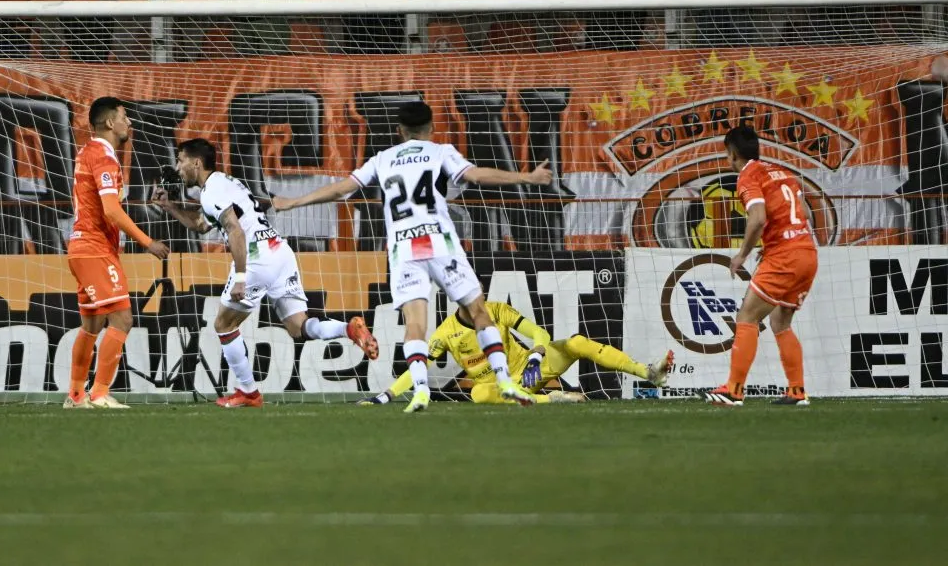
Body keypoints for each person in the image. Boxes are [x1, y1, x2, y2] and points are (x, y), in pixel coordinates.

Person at [273, 101, 552, 413]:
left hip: (404, 248)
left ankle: (420, 391)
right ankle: (504, 381)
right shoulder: (440, 151)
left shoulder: (382, 159)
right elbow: (475, 175)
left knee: (416, 323)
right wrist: (526, 178)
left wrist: (293, 202)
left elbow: (341, 190)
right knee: (478, 312)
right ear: (431, 127)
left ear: (399, 130)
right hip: (439, 241)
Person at [152, 138, 379, 408]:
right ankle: (349, 329)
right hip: (279, 251)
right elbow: (202, 224)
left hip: (257, 258)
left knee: (224, 324)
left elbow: (234, 230)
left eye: (181, 161)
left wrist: (240, 277)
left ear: (196, 163)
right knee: (298, 326)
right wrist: (172, 207)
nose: (178, 167)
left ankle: (248, 392)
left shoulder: (211, 192)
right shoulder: (225, 182)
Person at [360, 301, 673, 406]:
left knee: (576, 342)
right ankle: (551, 400)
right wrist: (385, 396)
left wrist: (536, 355)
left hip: (531, 368)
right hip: (505, 388)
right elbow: (416, 369)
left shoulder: (497, 309)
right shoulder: (446, 333)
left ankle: (648, 373)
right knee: (480, 393)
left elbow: (540, 333)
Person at [65, 97, 170, 410]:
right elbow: (111, 210)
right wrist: (147, 242)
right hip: (94, 248)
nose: (130, 123)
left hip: (82, 247)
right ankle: (99, 394)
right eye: (125, 117)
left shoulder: (88, 151)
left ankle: (75, 396)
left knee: (92, 326)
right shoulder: (104, 157)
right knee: (122, 319)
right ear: (110, 122)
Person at [705, 126, 817, 407]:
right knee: (780, 321)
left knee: (747, 316)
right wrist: (774, 243)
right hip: (807, 253)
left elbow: (757, 218)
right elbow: (802, 212)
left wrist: (742, 254)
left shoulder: (748, 175)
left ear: (732, 155)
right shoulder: (782, 172)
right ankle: (797, 391)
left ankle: (734, 390)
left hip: (785, 256)